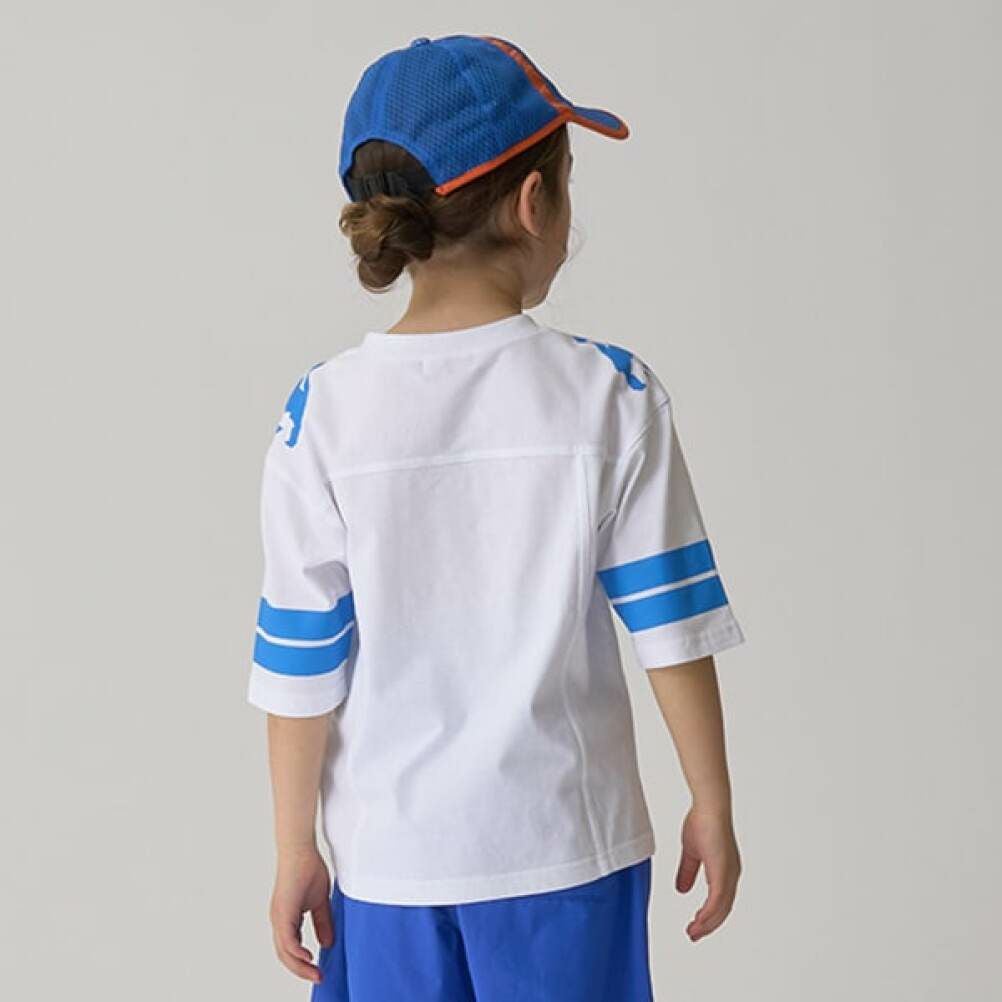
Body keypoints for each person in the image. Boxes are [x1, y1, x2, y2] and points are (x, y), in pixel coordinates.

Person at [248, 33, 747, 1002]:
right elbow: (671, 626)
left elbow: (301, 663)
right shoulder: (610, 396)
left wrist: (293, 846)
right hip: (569, 854)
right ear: (533, 203)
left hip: (387, 868)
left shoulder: (322, 414)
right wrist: (712, 800)